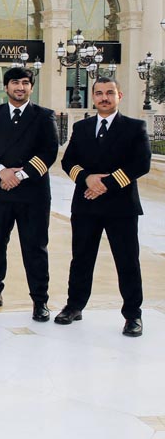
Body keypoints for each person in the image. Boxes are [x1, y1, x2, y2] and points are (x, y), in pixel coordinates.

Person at [57, 77, 151, 337]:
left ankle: (133, 315)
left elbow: (141, 164)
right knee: (81, 259)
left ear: (119, 95)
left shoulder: (134, 127)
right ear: (94, 97)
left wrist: (106, 183)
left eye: (109, 93)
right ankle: (74, 306)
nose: (104, 97)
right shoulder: (83, 127)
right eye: (99, 93)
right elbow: (68, 162)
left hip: (121, 207)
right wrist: (86, 178)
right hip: (86, 205)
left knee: (127, 261)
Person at [0, 67, 59, 322]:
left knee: (35, 248)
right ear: (6, 86)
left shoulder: (44, 116)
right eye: (14, 83)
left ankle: (40, 300)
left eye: (25, 83)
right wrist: (2, 172)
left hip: (32, 193)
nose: (19, 87)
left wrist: (19, 176)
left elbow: (49, 152)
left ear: (31, 87)